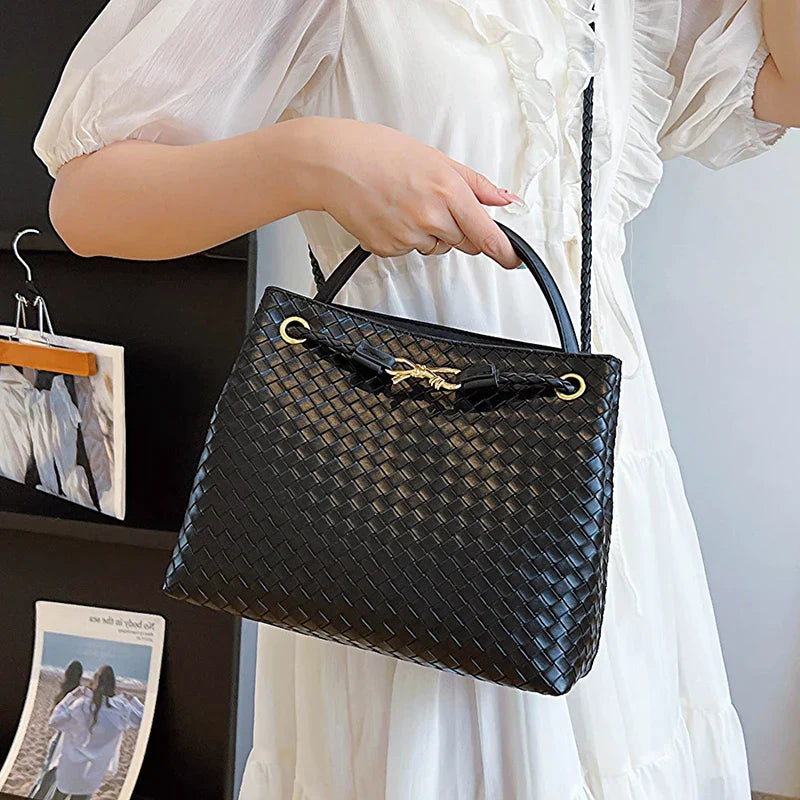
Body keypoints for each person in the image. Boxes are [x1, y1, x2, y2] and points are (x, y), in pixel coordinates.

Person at [32, 1, 797, 798]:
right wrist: (314, 160)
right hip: (399, 487)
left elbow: (787, 82)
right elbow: (87, 203)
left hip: (592, 472)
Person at [47, 665, 143, 800]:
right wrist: (133, 701)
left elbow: (54, 721)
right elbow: (143, 720)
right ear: (113, 684)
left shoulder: (81, 704)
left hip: (70, 766)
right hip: (93, 771)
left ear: (94, 681)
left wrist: (70, 697)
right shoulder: (120, 710)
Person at [29, 660, 84, 800]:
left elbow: (53, 719)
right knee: (54, 780)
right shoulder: (79, 696)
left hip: (57, 740)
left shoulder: (64, 693)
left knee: (45, 776)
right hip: (67, 743)